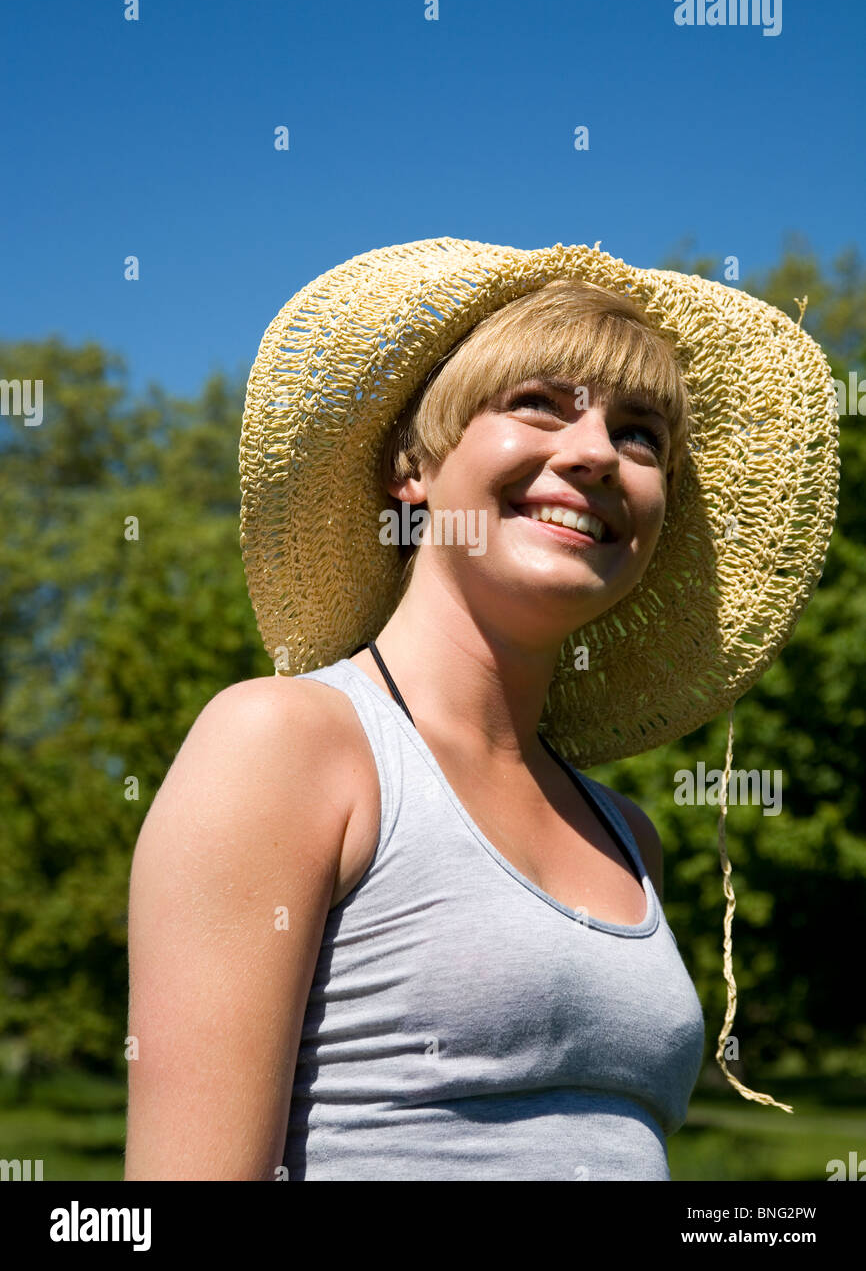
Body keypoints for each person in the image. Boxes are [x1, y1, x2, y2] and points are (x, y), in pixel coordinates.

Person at [124, 237, 838, 1181]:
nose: (594, 455)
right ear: (411, 469)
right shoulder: (289, 743)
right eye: (536, 404)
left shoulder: (626, 834)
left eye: (640, 436)